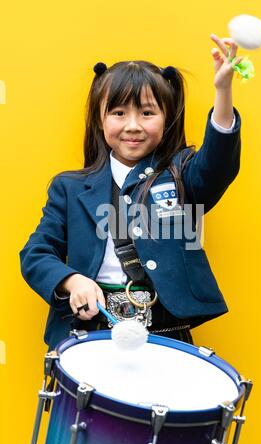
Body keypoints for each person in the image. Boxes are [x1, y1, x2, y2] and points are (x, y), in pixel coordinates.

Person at [20, 34, 244, 350]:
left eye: (148, 113)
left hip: (166, 334)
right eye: (119, 113)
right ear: (99, 119)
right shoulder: (69, 188)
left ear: (167, 119)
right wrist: (73, 281)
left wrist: (223, 91)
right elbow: (36, 254)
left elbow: (218, 165)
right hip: (89, 334)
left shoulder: (183, 174)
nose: (133, 125)